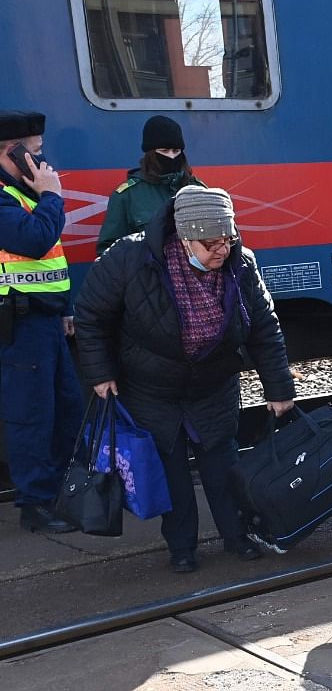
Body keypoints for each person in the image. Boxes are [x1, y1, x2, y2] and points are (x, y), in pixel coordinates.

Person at [75, 186, 296, 571]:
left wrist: (277, 386)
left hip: (213, 386)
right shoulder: (129, 259)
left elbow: (264, 328)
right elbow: (91, 317)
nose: (220, 251)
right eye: (209, 243)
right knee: (171, 470)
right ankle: (182, 548)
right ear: (183, 236)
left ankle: (238, 536)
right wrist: (101, 373)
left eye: (226, 240)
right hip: (152, 389)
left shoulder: (242, 264)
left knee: (224, 467)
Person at [0, 109, 82, 534]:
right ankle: (35, 503)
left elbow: (53, 261)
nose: (43, 163)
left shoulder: (24, 194)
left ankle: (64, 492)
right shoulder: (6, 197)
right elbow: (33, 242)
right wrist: (52, 195)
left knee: (67, 409)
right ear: (10, 152)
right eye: (34, 153)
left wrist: (65, 307)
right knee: (31, 415)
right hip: (19, 326)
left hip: (47, 321)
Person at [97, 116, 204, 255]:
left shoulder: (198, 190)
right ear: (151, 154)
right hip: (148, 274)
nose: (171, 156)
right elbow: (109, 250)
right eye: (164, 151)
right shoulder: (127, 195)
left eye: (176, 151)